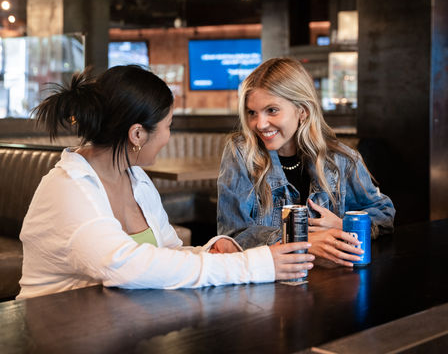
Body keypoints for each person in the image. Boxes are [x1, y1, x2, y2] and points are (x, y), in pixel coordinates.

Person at [18, 65, 314, 300]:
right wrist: (256, 265)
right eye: (167, 126)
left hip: (112, 327)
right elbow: (127, 267)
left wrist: (210, 249)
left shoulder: (136, 179)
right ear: (137, 135)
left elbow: (164, 255)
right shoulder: (68, 189)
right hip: (52, 332)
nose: (168, 137)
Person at [217, 58, 395, 267]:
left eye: (272, 110)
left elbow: (384, 215)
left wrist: (344, 225)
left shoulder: (342, 159)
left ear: (302, 111)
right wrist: (302, 239)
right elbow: (233, 235)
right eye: (252, 113)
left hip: (332, 285)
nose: (260, 124)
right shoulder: (241, 152)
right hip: (269, 287)